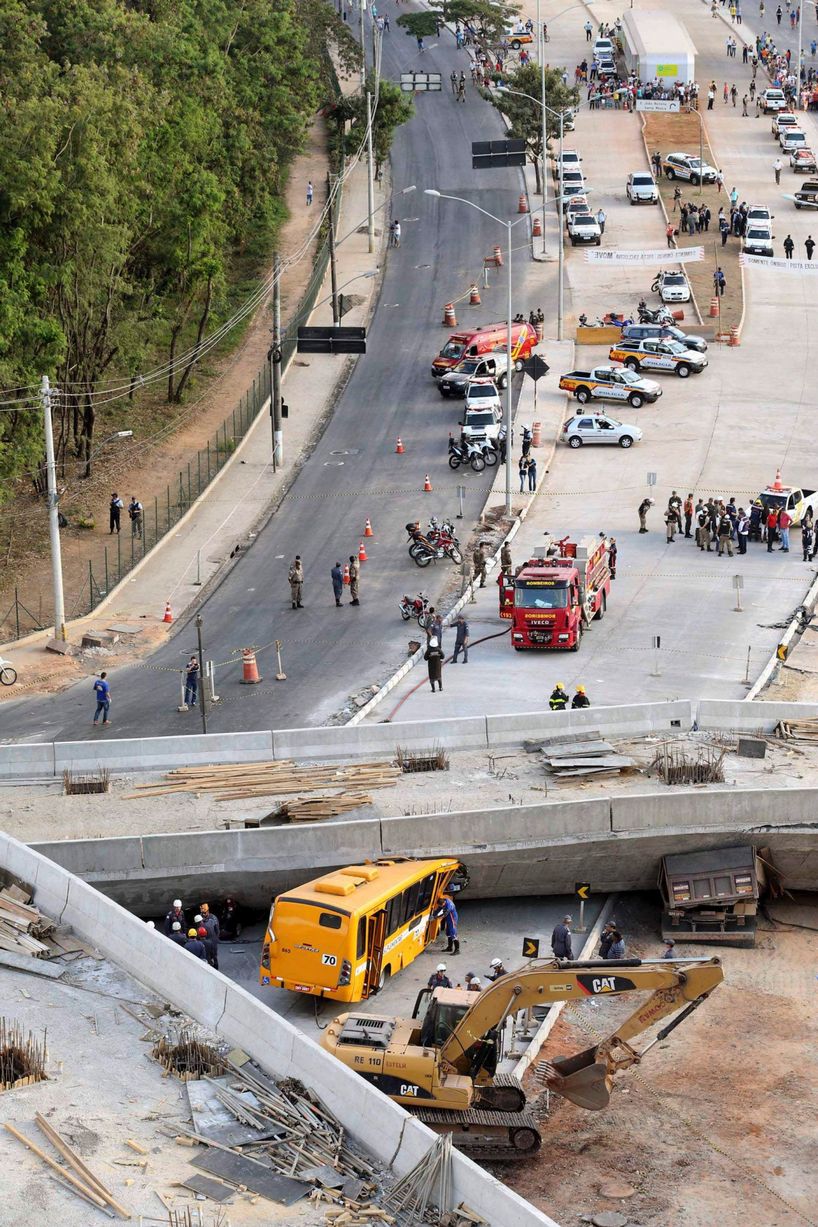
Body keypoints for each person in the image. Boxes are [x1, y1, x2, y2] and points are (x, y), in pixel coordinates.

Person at [199, 903, 220, 969]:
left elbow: (217, 930)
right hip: (205, 939)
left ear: (208, 911)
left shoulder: (213, 918)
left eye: (205, 913)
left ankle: (216, 967)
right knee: (206, 955)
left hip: (212, 939)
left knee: (214, 955)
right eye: (202, 913)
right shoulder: (200, 917)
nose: (203, 914)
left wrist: (216, 939)